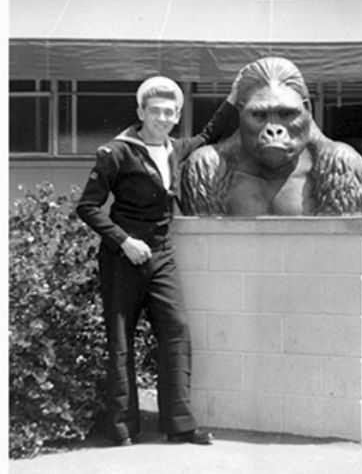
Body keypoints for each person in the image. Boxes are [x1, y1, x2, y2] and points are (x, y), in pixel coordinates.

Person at [76, 74, 239, 446]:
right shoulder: (116, 152)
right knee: (121, 339)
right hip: (124, 258)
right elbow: (87, 206)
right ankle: (122, 428)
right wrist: (124, 241)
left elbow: (209, 134)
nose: (163, 118)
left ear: (177, 115)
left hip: (162, 255)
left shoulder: (175, 148)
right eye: (155, 111)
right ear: (141, 112)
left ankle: (180, 426)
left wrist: (233, 97)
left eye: (170, 112)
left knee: (176, 330)